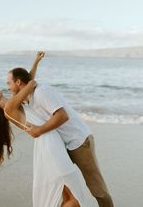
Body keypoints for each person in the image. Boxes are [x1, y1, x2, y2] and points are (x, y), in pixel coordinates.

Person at [7, 52, 114, 207]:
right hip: (63, 144)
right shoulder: (28, 97)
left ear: (18, 82)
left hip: (79, 141)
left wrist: (39, 130)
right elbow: (29, 77)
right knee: (59, 182)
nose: (8, 88)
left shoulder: (42, 92)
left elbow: (63, 116)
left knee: (96, 188)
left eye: (8, 84)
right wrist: (36, 61)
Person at [0, 55, 89, 207]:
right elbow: (29, 84)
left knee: (65, 190)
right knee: (71, 190)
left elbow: (24, 83)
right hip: (48, 142)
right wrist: (30, 81)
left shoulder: (12, 103)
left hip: (47, 140)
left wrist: (36, 62)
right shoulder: (9, 107)